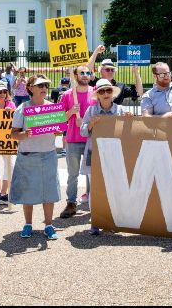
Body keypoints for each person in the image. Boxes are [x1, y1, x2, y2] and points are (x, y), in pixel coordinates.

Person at [10, 75, 61, 240]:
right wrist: (24, 134)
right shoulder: (22, 109)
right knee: (28, 192)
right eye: (39, 85)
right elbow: (14, 134)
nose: (43, 88)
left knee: (49, 191)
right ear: (30, 88)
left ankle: (48, 225)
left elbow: (58, 132)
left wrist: (57, 130)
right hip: (28, 155)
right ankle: (28, 224)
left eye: (45, 85)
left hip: (48, 154)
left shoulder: (52, 107)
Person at [80, 78, 133, 235]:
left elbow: (130, 133)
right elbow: (83, 131)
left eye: (108, 90)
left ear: (112, 93)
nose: (105, 94)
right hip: (94, 153)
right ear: (97, 94)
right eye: (101, 91)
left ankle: (110, 220)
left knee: (114, 187)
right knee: (95, 190)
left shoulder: (121, 111)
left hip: (115, 155)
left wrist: (130, 120)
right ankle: (95, 222)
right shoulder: (91, 111)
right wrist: (91, 124)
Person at [58, 64, 96, 219]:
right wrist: (71, 112)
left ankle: (94, 202)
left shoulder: (95, 93)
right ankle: (71, 203)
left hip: (90, 139)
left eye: (88, 73)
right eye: (82, 73)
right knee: (72, 174)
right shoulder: (67, 95)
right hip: (73, 139)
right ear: (75, 75)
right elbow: (60, 120)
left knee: (92, 174)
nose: (85, 75)